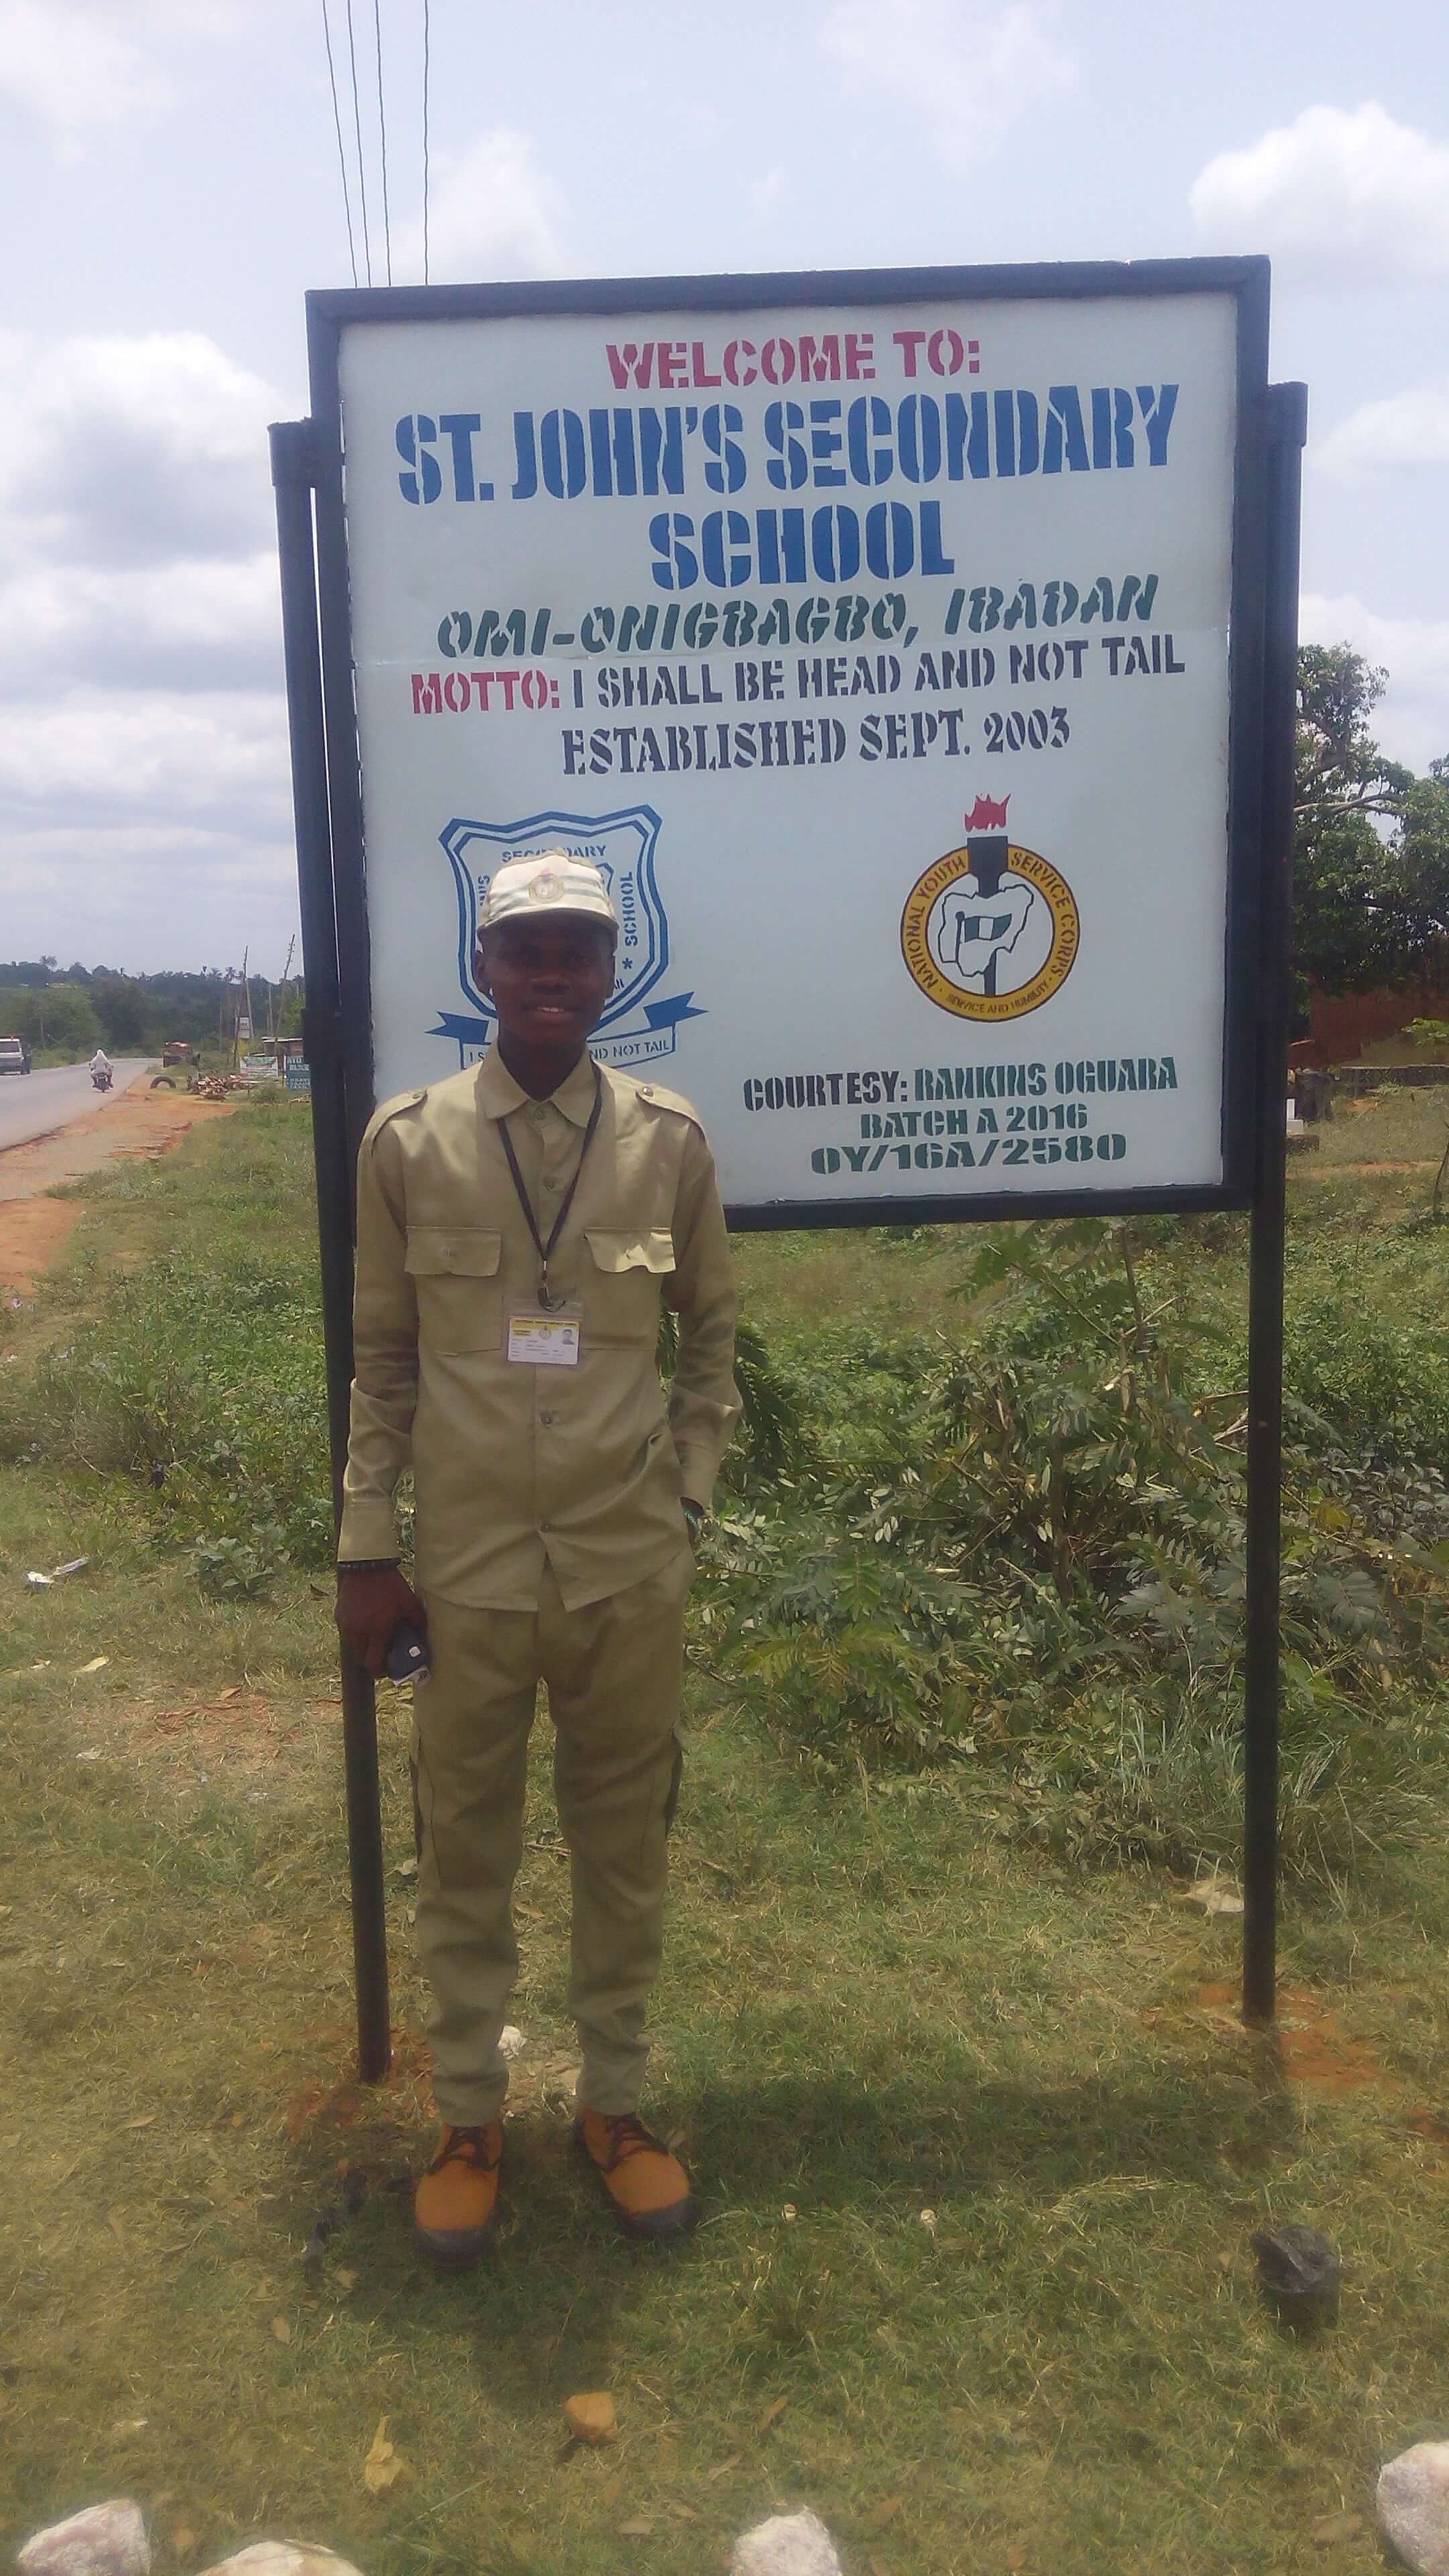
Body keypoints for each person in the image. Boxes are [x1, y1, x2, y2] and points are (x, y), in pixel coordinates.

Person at [335, 852, 739, 2269]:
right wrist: (366, 1546)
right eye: (528, 951)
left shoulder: (670, 1140)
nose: (554, 973)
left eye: (579, 950)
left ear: (610, 967)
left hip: (628, 1571)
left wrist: (685, 1499)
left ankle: (616, 2110)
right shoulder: (409, 1142)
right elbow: (382, 1361)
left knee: (625, 1843)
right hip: (472, 1572)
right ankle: (466, 2119)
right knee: (467, 1848)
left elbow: (715, 1345)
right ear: (484, 969)